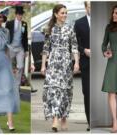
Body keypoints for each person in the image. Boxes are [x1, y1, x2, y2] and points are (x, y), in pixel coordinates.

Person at [41, 4, 79, 132]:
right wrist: (43, 65)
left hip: (65, 63)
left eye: (65, 13)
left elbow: (74, 47)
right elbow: (45, 48)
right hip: (53, 62)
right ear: (56, 14)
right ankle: (55, 119)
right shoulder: (49, 29)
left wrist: (76, 63)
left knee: (65, 91)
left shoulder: (70, 29)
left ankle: (63, 118)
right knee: (53, 89)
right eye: (62, 13)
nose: (65, 15)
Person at [101, 4, 117, 133]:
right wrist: (105, 52)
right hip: (113, 61)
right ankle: (115, 121)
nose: (113, 15)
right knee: (111, 92)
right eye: (113, 13)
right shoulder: (109, 27)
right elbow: (104, 45)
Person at [74, 1, 90, 131]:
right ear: (86, 8)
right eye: (90, 6)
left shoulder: (105, 22)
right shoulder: (79, 23)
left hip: (104, 62)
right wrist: (84, 50)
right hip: (86, 62)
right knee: (88, 92)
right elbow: (75, 44)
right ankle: (91, 122)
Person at [5, 6, 28, 93]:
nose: (20, 16)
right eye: (19, 14)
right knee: (8, 67)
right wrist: (5, 48)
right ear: (16, 14)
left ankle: (17, 87)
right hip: (10, 47)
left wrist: (26, 50)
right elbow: (6, 36)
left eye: (21, 14)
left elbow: (25, 38)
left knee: (20, 66)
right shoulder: (9, 23)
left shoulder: (24, 24)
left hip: (20, 49)